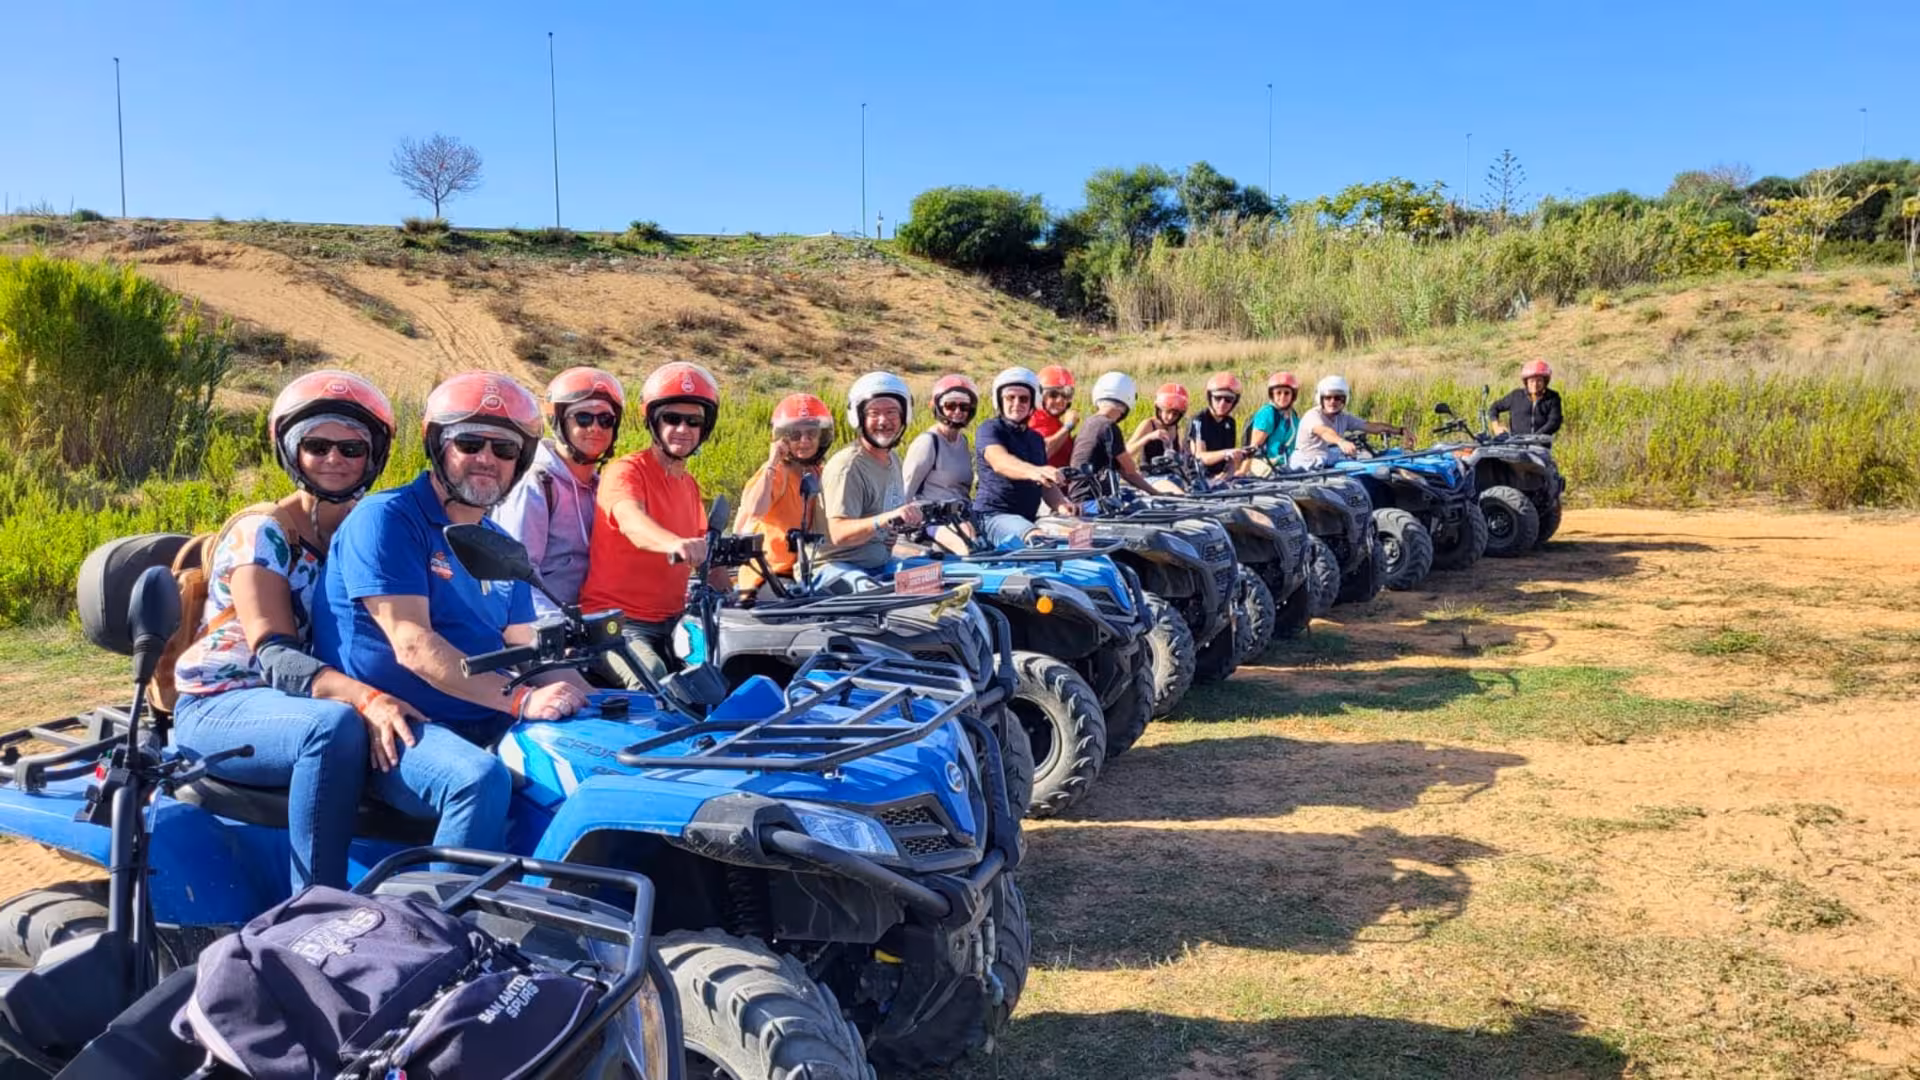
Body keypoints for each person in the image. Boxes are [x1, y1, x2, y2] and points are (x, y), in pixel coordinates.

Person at [315, 371, 589, 856]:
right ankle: (444, 925)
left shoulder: (501, 546)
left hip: (480, 716)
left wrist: (607, 701)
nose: (487, 459)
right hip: (398, 729)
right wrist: (521, 702)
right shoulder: (390, 519)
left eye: (504, 450)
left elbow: (526, 650)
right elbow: (412, 645)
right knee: (477, 781)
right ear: (438, 445)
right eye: (469, 442)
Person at [172, 371, 412, 891]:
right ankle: (316, 903)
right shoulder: (264, 533)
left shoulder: (364, 529)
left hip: (307, 695)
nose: (335, 459)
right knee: (329, 731)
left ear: (373, 457)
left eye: (351, 448)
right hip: (226, 700)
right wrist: (366, 699)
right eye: (317, 445)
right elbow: (276, 657)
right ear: (290, 450)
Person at [577, 362, 721, 684]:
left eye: (693, 421)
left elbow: (705, 553)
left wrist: (737, 592)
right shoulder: (626, 471)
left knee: (723, 666)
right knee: (651, 678)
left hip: (673, 621)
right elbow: (631, 521)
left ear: (704, 428)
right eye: (671, 419)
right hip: (616, 624)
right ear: (653, 422)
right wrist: (673, 543)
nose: (682, 429)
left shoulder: (689, 485)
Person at [490, 367, 625, 619]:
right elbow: (516, 578)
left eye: (605, 420)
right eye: (583, 418)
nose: (595, 427)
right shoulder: (536, 484)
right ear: (560, 422)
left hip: (596, 624)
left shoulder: (601, 487)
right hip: (546, 636)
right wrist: (560, 630)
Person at [816, 372, 922, 588]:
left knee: (937, 581)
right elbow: (839, 534)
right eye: (874, 413)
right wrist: (885, 519)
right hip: (836, 569)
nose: (883, 421)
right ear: (859, 417)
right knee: (893, 604)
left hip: (878, 565)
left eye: (891, 412)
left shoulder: (893, 459)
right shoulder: (847, 467)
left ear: (904, 416)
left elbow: (886, 514)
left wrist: (893, 528)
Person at [733, 392, 832, 598]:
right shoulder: (778, 472)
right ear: (783, 439)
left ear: (821, 437)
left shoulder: (819, 473)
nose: (804, 441)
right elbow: (754, 511)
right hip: (769, 573)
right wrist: (772, 463)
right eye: (795, 435)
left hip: (807, 570)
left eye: (811, 434)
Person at [973, 367, 1069, 546]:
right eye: (1010, 397)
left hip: (1028, 519)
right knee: (1038, 539)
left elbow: (1046, 485)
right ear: (999, 400)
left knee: (1076, 534)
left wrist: (1062, 505)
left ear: (1034, 402)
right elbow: (1000, 462)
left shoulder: (1036, 439)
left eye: (1023, 398)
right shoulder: (989, 429)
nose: (1017, 403)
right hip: (993, 517)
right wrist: (1035, 471)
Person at [1068, 372, 1157, 502]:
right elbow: (1130, 470)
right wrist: (1159, 494)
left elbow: (1124, 472)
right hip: (1094, 501)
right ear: (1129, 398)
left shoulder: (1089, 422)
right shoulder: (1108, 426)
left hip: (1079, 497)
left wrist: (1154, 492)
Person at [1289, 375, 1407, 469]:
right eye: (1328, 397)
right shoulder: (1313, 416)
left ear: (1344, 400)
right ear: (1321, 399)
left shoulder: (1343, 417)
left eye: (1338, 398)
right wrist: (1341, 442)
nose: (1332, 401)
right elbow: (1324, 431)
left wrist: (1400, 431)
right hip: (1307, 465)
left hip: (1328, 460)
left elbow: (1370, 426)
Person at [902, 373, 978, 502]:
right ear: (938, 407)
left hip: (963, 514)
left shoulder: (963, 441)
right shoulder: (928, 443)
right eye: (950, 405)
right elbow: (906, 490)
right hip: (931, 517)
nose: (958, 411)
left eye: (964, 406)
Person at [1191, 372, 1251, 477]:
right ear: (1210, 397)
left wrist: (1226, 475)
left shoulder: (1230, 423)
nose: (1222, 403)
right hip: (1197, 478)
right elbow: (1200, 456)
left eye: (1228, 399)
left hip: (1221, 478)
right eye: (1218, 398)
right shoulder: (1199, 420)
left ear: (1234, 402)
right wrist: (1226, 453)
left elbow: (1230, 461)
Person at [1244, 371, 1301, 477]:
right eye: (1278, 393)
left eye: (1287, 393)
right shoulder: (1267, 413)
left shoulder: (1293, 414)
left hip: (1288, 465)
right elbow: (1253, 446)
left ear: (1293, 395)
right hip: (1268, 467)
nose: (1282, 396)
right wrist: (1243, 471)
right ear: (1272, 395)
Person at [1491, 359, 1564, 436]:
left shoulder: (1553, 398)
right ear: (1526, 382)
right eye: (1532, 381)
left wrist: (1536, 437)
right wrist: (1496, 426)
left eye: (1539, 381)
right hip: (1516, 443)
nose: (1535, 385)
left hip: (1541, 443)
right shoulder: (1516, 396)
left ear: (1545, 382)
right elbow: (1494, 407)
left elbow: (1554, 421)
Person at [1026, 365, 1079, 468]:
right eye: (1053, 394)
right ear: (1040, 396)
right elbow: (1043, 452)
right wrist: (1068, 427)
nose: (1060, 400)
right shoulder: (1034, 419)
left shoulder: (1055, 422)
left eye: (1066, 395)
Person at [1128, 382, 1191, 468]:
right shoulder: (1148, 424)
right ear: (1159, 409)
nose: (1170, 417)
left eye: (1175, 414)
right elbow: (1127, 452)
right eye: (1167, 412)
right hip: (1151, 475)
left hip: (1172, 473)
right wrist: (1149, 437)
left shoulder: (1175, 427)